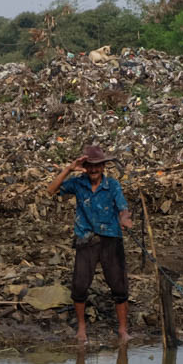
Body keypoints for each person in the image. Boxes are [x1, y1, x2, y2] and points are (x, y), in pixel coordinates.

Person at [46, 144, 133, 343]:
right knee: (79, 285)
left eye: (97, 166)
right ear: (85, 167)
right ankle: (82, 328)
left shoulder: (112, 185)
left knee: (119, 286)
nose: (94, 170)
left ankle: (122, 329)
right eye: (90, 166)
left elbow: (122, 207)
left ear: (103, 166)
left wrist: (125, 218)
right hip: (86, 239)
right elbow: (51, 190)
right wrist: (68, 168)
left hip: (111, 237)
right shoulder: (78, 183)